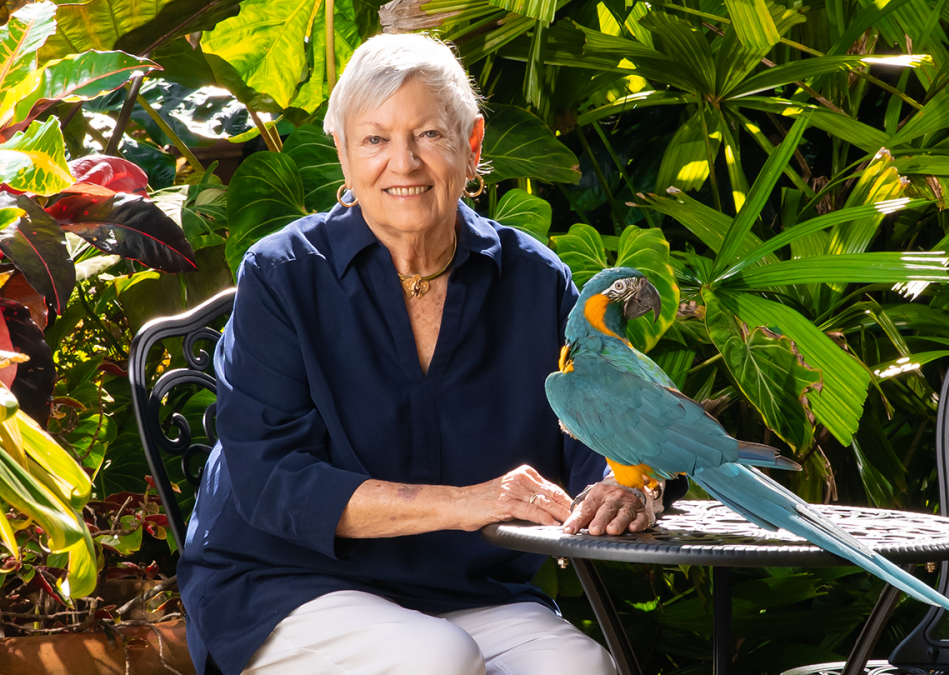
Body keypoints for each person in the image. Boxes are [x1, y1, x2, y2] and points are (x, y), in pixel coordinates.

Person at [177, 33, 673, 675]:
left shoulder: (534, 281)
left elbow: (598, 433)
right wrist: (469, 501)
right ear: (344, 155)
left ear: (471, 146)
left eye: (430, 136)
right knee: (433, 658)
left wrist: (621, 487)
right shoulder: (283, 275)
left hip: (470, 589)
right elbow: (271, 480)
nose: (403, 164)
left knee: (579, 668)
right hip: (289, 584)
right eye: (376, 139)